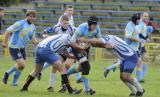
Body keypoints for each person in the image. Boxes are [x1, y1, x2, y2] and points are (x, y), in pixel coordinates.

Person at [78, 34, 145, 97]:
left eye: (92, 43)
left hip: (130, 56)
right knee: (122, 77)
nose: (93, 45)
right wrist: (89, 44)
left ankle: (140, 90)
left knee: (126, 76)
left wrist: (85, 39)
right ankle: (133, 91)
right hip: (124, 58)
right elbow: (99, 44)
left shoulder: (104, 39)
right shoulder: (104, 41)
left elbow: (98, 42)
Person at [20, 34, 85, 94]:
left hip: (38, 48)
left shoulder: (63, 38)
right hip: (46, 50)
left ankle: (24, 87)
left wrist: (72, 56)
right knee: (63, 69)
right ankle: (70, 90)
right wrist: (83, 48)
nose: (78, 42)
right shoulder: (69, 38)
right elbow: (76, 46)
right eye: (78, 41)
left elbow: (64, 52)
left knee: (36, 71)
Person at [65, 15, 101, 95]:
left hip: (86, 48)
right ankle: (88, 90)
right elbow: (71, 41)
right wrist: (80, 48)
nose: (95, 26)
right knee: (86, 66)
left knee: (82, 67)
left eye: (96, 25)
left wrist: (87, 41)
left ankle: (65, 75)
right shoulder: (81, 28)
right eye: (94, 25)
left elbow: (98, 40)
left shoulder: (97, 29)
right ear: (89, 24)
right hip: (76, 48)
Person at [2, 10, 38, 86]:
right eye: (30, 16)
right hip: (14, 46)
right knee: (21, 64)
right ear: (27, 16)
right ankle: (7, 73)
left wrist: (39, 44)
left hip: (22, 48)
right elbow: (8, 31)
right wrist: (4, 42)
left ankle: (14, 83)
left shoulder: (33, 27)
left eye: (33, 17)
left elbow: (33, 39)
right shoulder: (20, 23)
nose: (32, 18)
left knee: (22, 67)